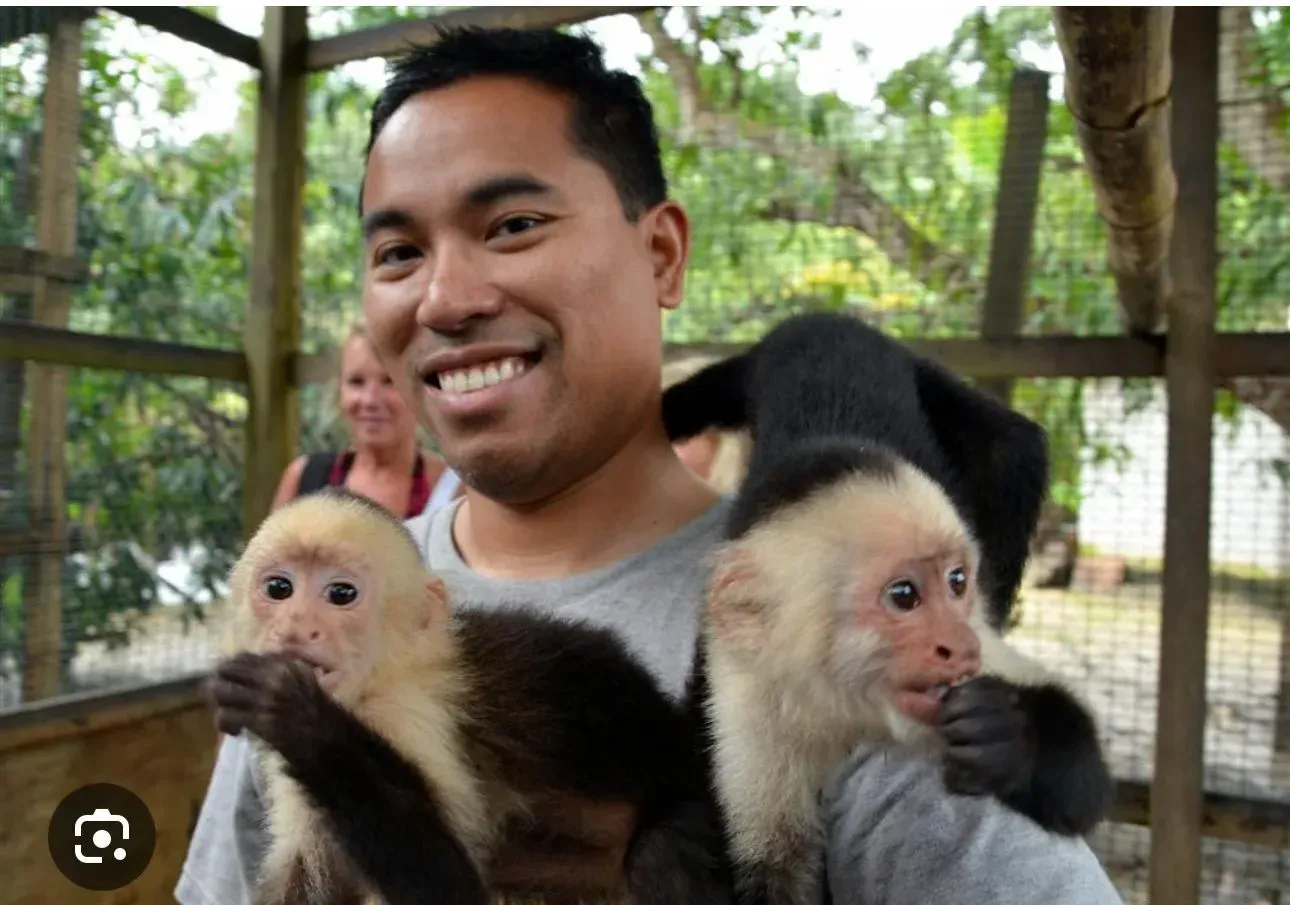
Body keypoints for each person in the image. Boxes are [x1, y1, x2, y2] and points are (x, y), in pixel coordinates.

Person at [175, 26, 1122, 905]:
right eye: (397, 251)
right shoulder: (323, 604)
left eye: (512, 225)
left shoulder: (850, 619)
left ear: (662, 253)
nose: (446, 298)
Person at [270, 325, 461, 517]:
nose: (370, 400)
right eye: (356, 382)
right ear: (339, 392)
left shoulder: (456, 491)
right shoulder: (305, 479)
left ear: (420, 392)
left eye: (389, 381)